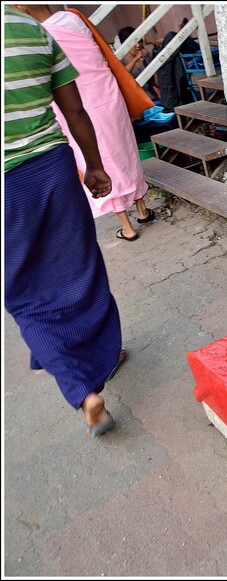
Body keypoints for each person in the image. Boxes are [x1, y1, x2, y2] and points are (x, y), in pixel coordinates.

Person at [4, 5, 125, 437]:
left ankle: (82, 390)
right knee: (80, 269)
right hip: (53, 168)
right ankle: (105, 356)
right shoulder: (31, 30)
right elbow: (75, 112)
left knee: (25, 295)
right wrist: (95, 165)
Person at [15, 5, 156, 242]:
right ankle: (142, 210)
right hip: (109, 96)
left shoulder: (37, 35)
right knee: (125, 152)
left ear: (22, 7)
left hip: (75, 106)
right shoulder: (73, 18)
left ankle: (127, 227)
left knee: (97, 159)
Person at [117, 25, 158, 101]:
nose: (138, 45)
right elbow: (123, 76)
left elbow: (156, 82)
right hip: (136, 102)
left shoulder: (146, 56)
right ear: (125, 45)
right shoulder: (120, 61)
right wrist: (136, 58)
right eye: (133, 43)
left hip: (153, 98)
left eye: (139, 41)